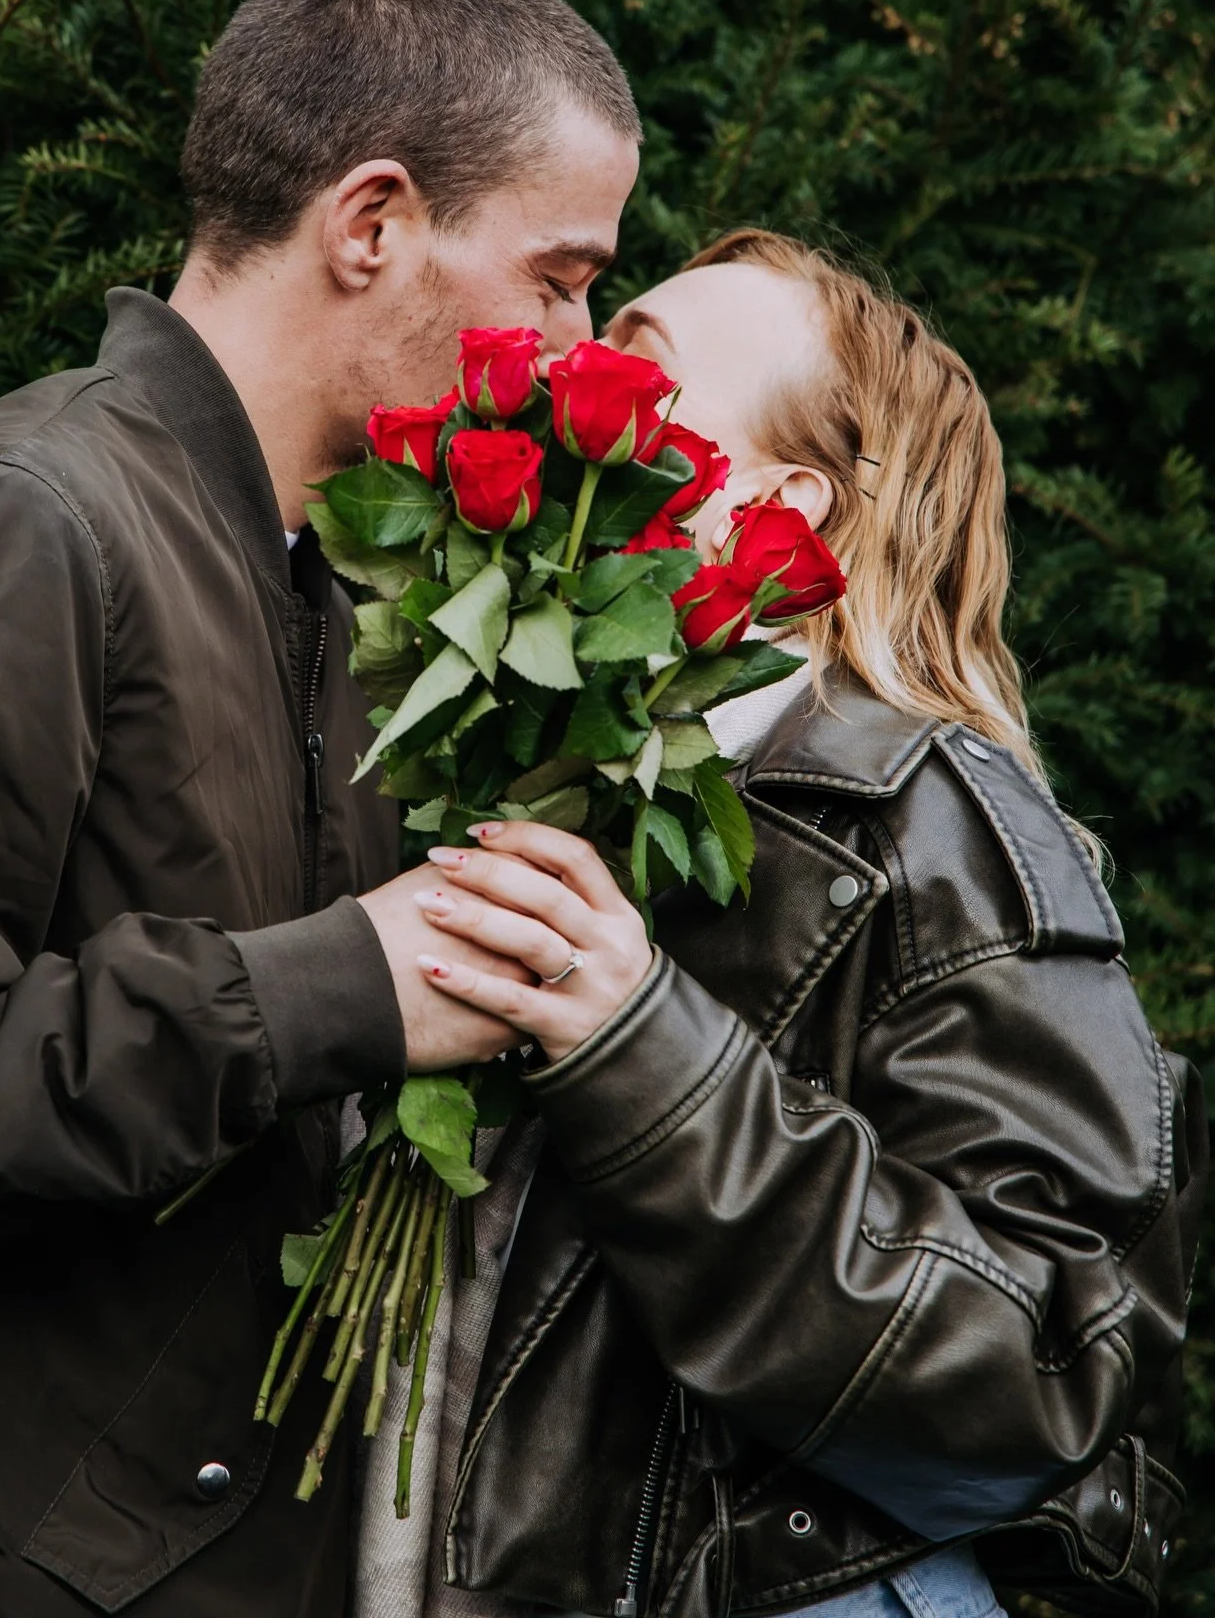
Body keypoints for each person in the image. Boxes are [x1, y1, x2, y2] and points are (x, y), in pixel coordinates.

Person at [0, 0, 640, 1616]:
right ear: (373, 222)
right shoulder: (22, 525)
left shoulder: (330, 582)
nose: (577, 333)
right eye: (559, 275)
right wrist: (330, 994)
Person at [387, 230, 1205, 1618]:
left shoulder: (946, 825)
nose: (572, 367)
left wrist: (645, 1053)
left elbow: (1042, 1369)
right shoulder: (555, 763)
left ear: (787, 501)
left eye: (639, 366)